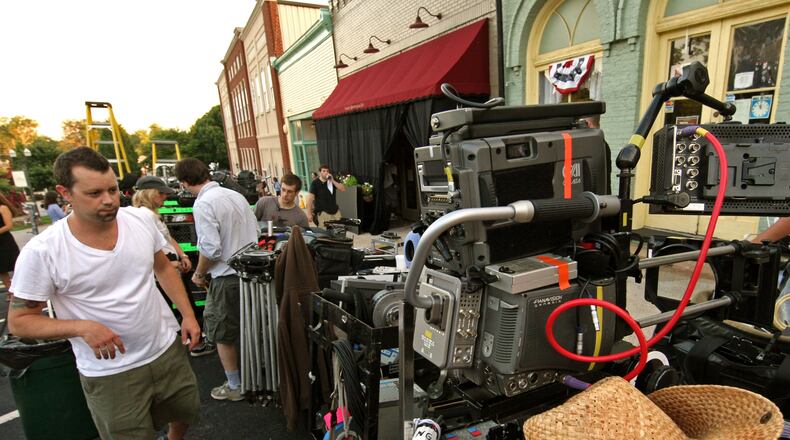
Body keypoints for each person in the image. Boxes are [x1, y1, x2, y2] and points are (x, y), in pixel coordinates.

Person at [8, 147, 201, 439]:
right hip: (110, 372)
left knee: (185, 412)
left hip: (164, 350)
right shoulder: (43, 251)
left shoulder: (140, 220)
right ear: (65, 193)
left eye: (112, 189)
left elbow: (162, 268)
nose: (109, 200)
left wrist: (188, 314)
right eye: (95, 193)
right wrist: (83, 328)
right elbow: (20, 321)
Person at [175, 157, 259, 402]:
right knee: (248, 328)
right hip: (250, 273)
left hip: (227, 276)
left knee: (222, 333)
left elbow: (211, 249)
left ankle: (235, 386)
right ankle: (255, 378)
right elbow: (254, 233)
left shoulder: (204, 204)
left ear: (183, 183)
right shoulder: (236, 196)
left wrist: (199, 273)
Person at [0, 193, 20, 300]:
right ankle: (10, 291)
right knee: (1, 269)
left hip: (5, 241)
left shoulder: (3, 208)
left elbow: (8, 225)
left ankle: (21, 289)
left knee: (15, 265)